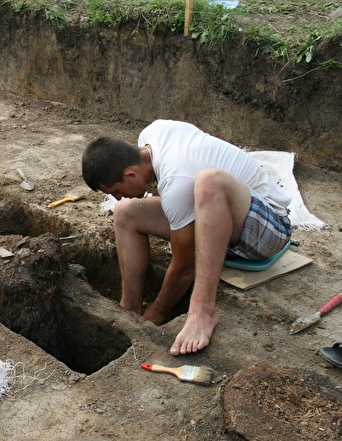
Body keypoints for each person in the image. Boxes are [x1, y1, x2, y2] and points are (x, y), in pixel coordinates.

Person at [81, 119, 291, 355]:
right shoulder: (152, 134)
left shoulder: (175, 180)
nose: (118, 197)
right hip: (225, 223)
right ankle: (129, 308)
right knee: (125, 213)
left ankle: (202, 311)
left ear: (130, 174)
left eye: (116, 191)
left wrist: (158, 312)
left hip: (268, 227)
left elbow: (185, 265)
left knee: (207, 182)